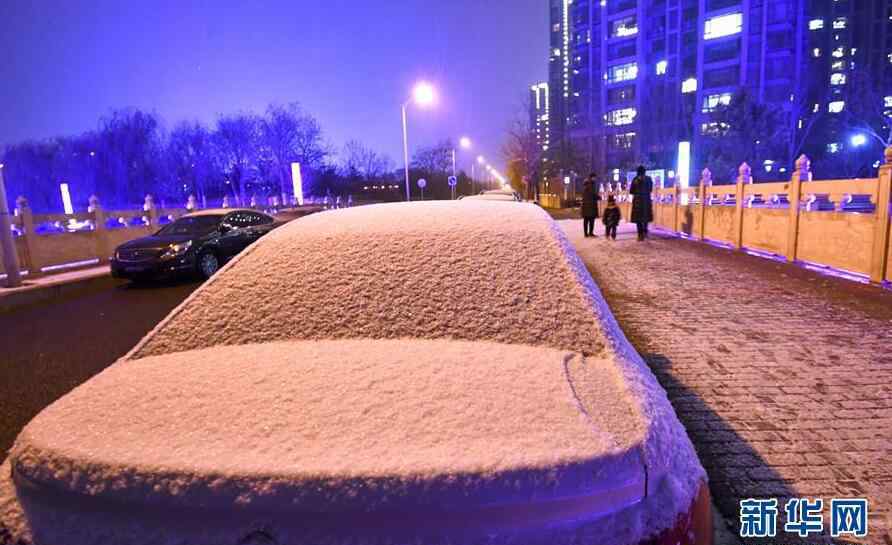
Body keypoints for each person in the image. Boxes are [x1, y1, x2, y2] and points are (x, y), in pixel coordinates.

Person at [629, 165, 654, 241]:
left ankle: (640, 235)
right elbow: (650, 189)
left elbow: (631, 191)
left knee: (638, 219)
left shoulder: (635, 179)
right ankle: (645, 231)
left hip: (637, 201)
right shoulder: (648, 179)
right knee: (645, 217)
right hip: (646, 201)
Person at [580, 173, 601, 238]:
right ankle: (590, 233)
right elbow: (593, 194)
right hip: (591, 205)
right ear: (592, 177)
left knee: (586, 220)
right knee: (591, 220)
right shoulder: (591, 185)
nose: (595, 179)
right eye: (594, 177)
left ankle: (586, 234)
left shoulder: (586, 184)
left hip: (585, 204)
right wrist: (599, 197)